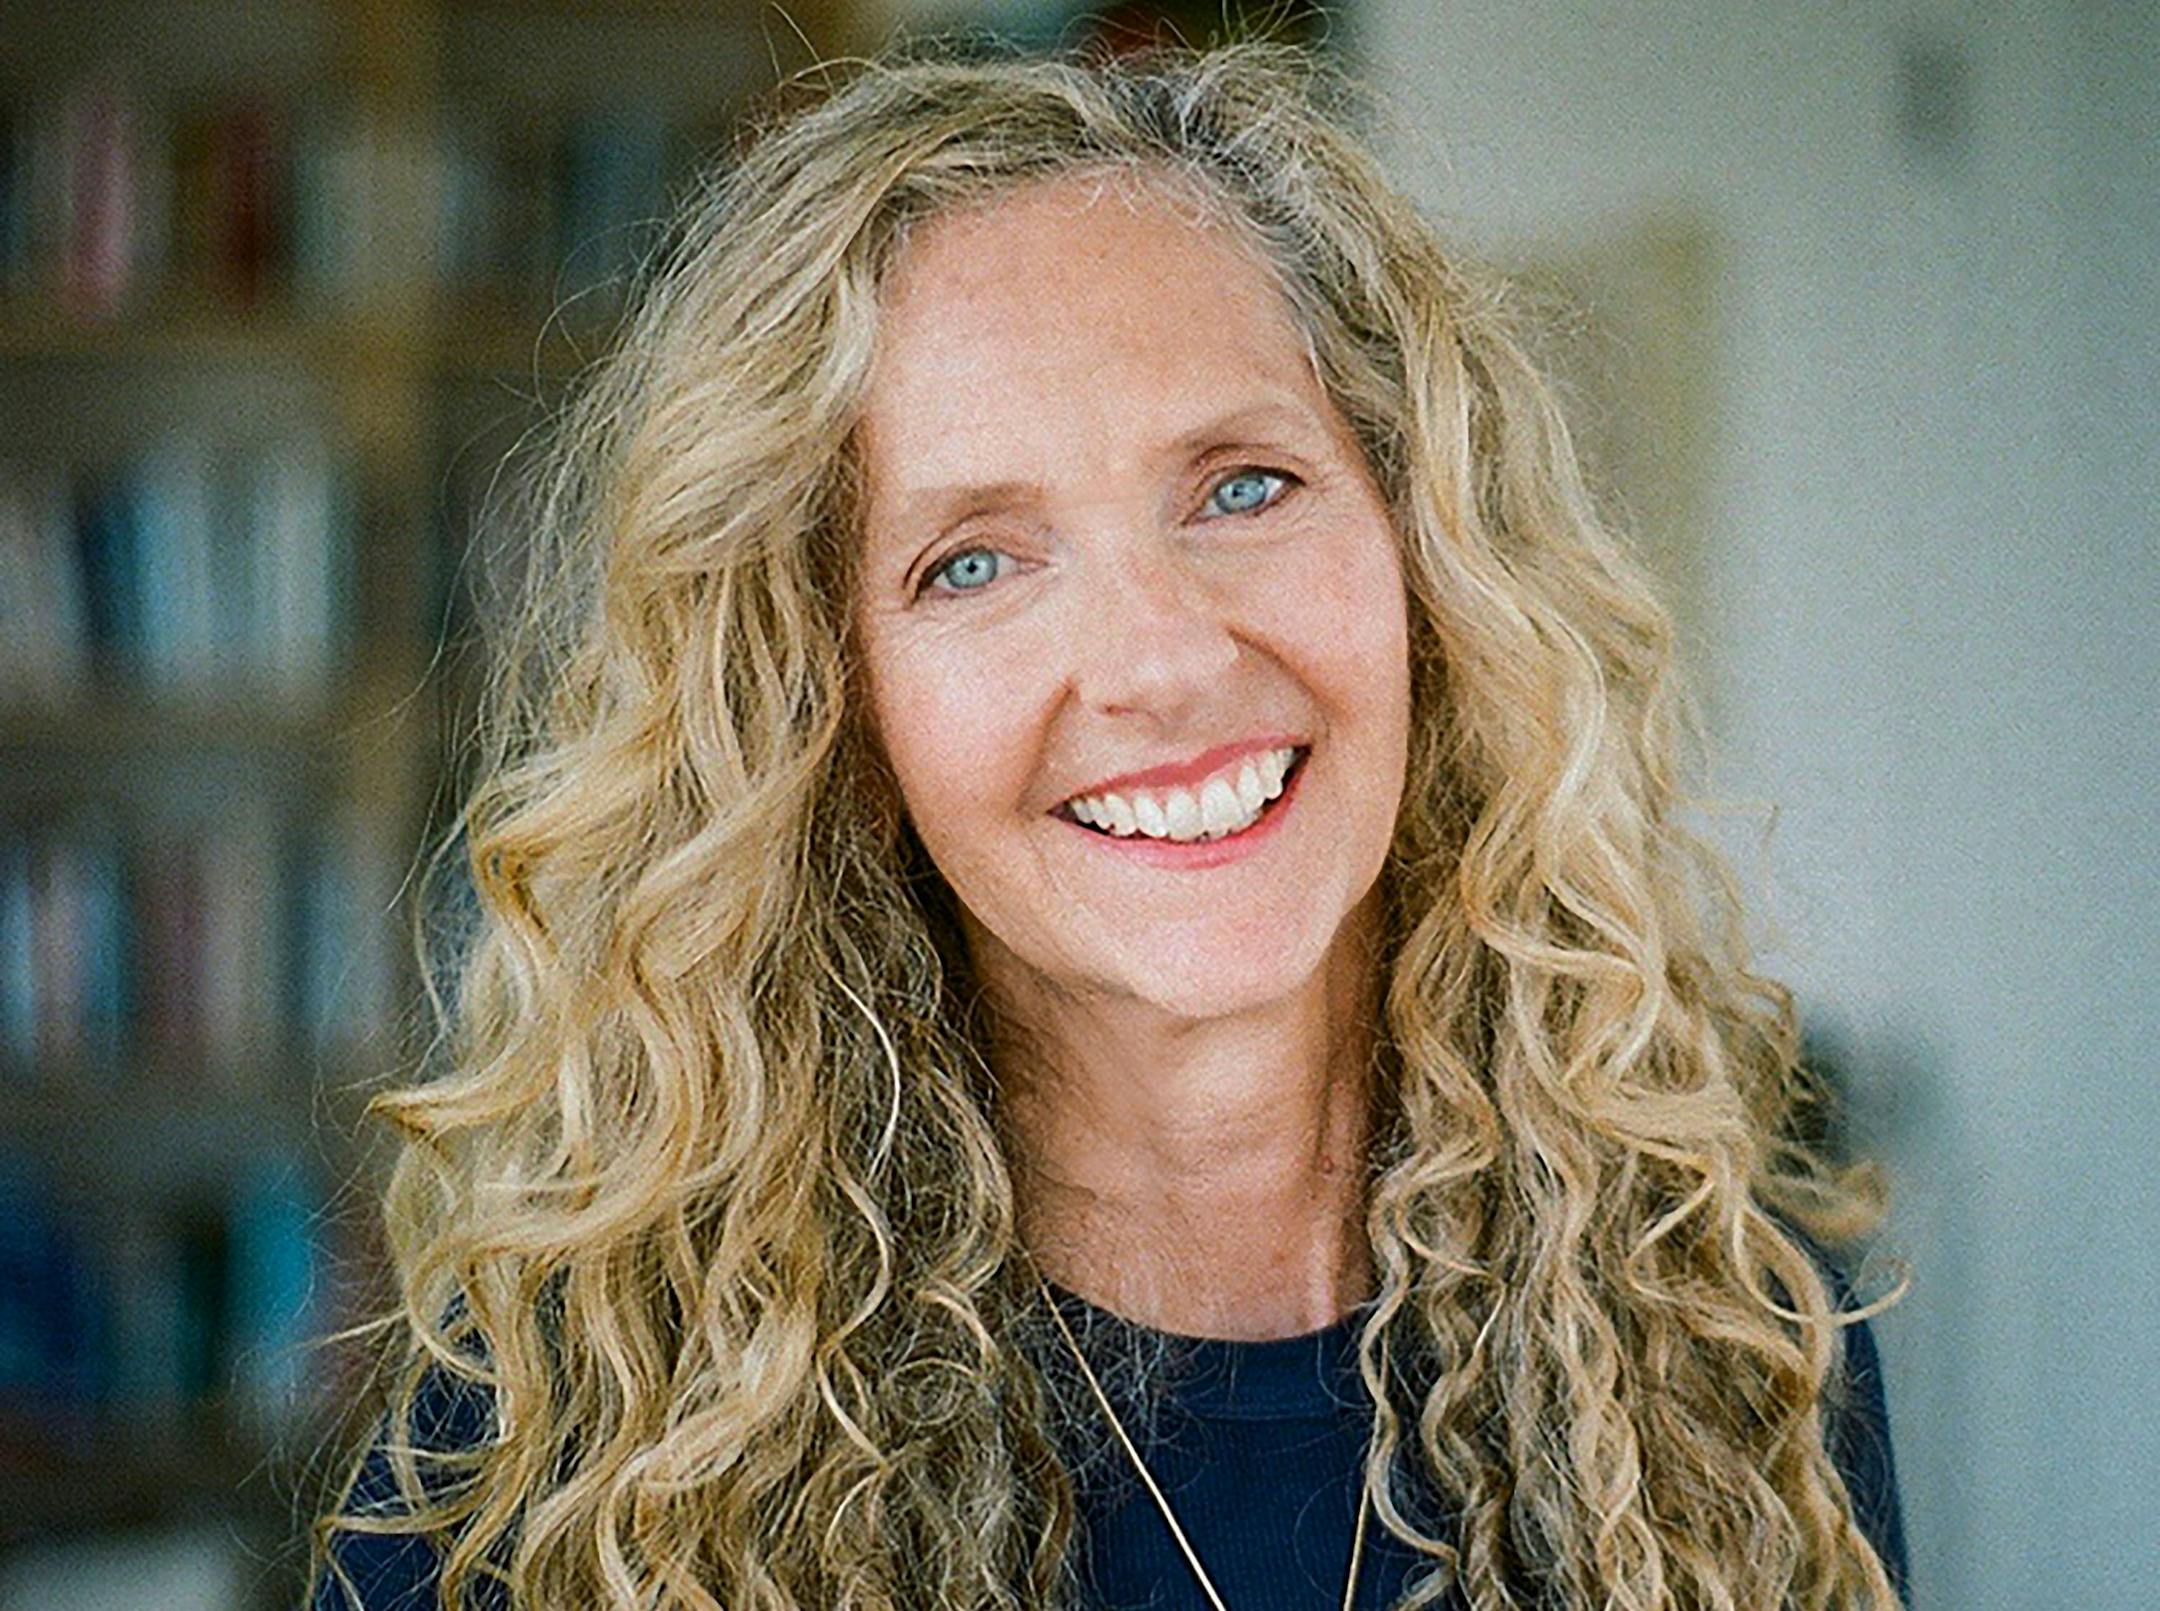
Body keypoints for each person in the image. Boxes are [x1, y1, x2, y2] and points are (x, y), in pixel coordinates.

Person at [307, 37, 1910, 1611]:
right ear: (830, 714)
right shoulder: (569, 1463)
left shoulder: (1731, 1335)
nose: (1162, 661)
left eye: (1242, 487)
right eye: (975, 562)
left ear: (1426, 559)